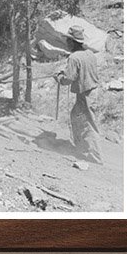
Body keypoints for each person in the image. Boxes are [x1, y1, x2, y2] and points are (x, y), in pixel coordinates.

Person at [54, 24, 103, 164]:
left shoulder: (74, 57)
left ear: (72, 42)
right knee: (76, 117)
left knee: (89, 123)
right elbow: (78, 73)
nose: (66, 43)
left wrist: (59, 78)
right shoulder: (89, 54)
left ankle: (95, 156)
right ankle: (81, 148)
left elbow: (68, 79)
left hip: (86, 94)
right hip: (90, 91)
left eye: (68, 40)